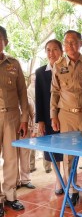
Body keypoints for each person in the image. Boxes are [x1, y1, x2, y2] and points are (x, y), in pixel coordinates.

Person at [50, 31, 82, 205]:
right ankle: (72, 189)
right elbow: (55, 92)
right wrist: (53, 116)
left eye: (74, 42)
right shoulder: (58, 65)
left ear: (80, 43)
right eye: (67, 43)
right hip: (66, 115)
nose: (70, 46)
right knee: (68, 155)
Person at [0, 26, 28, 215]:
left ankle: (10, 196)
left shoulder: (14, 64)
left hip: (11, 116)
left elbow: (22, 93)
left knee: (11, 158)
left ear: (6, 42)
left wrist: (24, 119)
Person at [35, 39, 65, 195]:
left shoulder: (67, 68)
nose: (51, 53)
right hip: (48, 119)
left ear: (61, 51)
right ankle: (59, 181)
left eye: (55, 49)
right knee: (53, 152)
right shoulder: (40, 73)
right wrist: (40, 120)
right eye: (48, 50)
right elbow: (39, 98)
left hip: (67, 116)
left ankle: (69, 180)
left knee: (67, 150)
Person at [17, 75, 37, 190]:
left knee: (25, 155)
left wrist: (34, 130)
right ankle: (15, 181)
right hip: (11, 132)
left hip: (25, 132)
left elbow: (33, 115)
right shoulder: (10, 98)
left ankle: (25, 179)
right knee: (12, 157)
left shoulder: (28, 99)